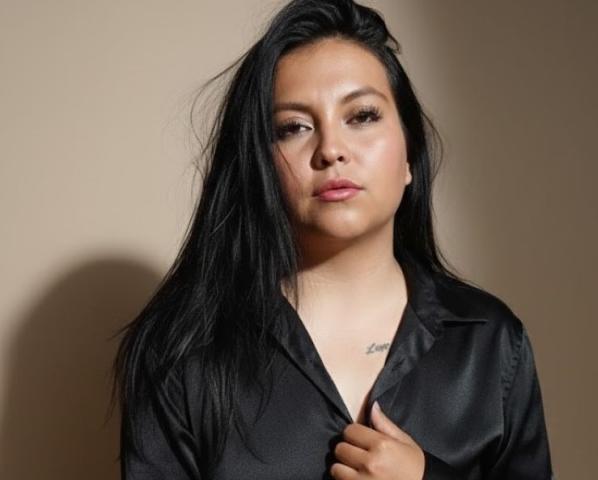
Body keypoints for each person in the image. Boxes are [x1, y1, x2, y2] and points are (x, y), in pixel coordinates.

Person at [110, 0, 554, 478]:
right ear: (259, 166)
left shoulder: (490, 341)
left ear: (410, 154)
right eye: (293, 127)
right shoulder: (184, 353)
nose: (331, 150)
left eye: (361, 116)